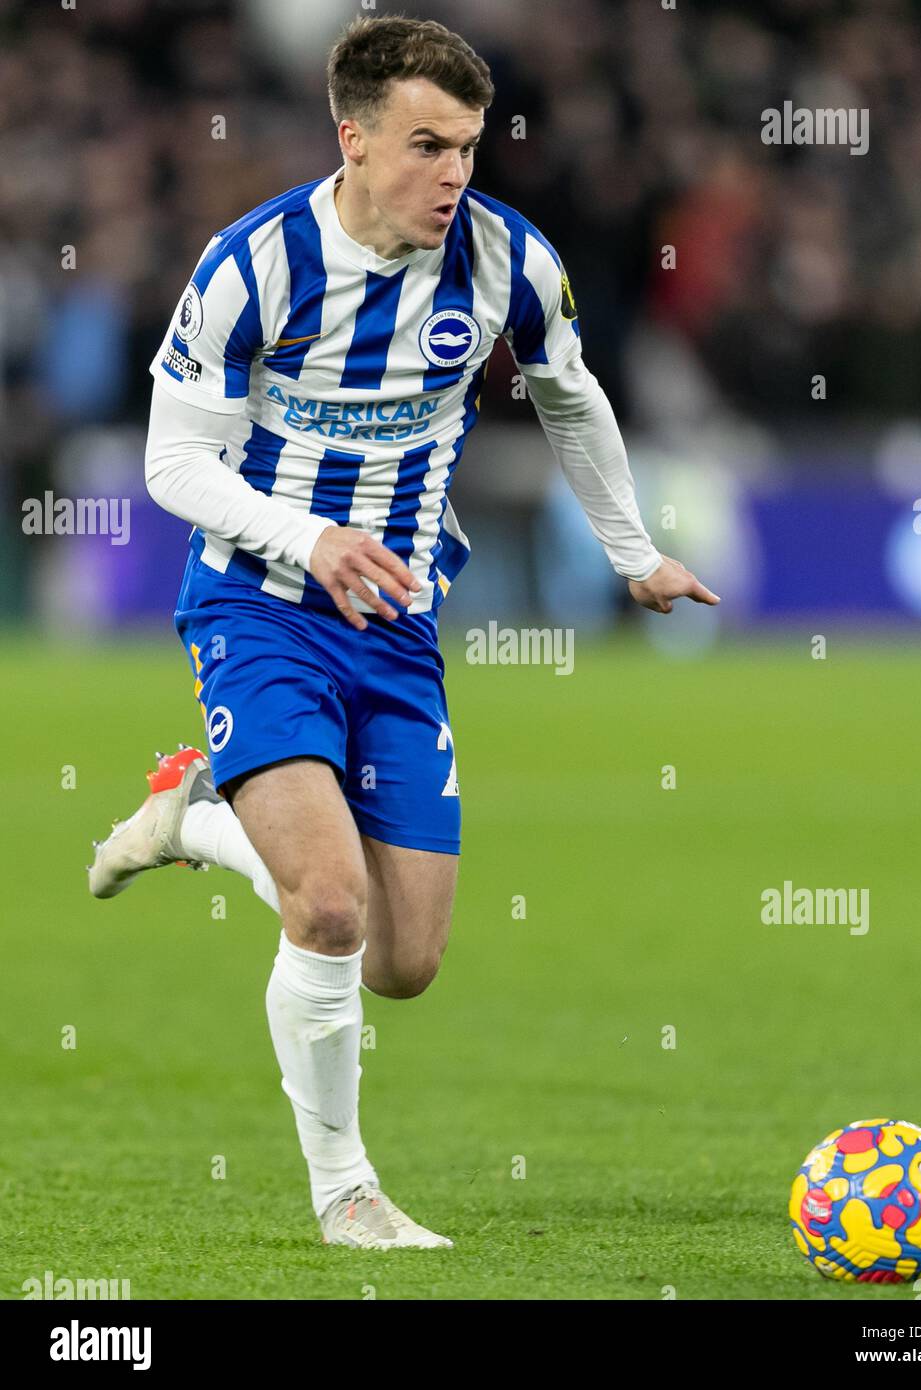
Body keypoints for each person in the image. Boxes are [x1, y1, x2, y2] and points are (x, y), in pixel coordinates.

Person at [88, 14, 719, 1250]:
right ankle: (345, 1198)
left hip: (398, 625)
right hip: (259, 607)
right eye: (427, 147)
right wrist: (306, 537)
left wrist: (633, 555)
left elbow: (570, 396)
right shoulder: (251, 266)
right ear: (354, 138)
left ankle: (190, 822)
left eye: (469, 148)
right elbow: (170, 462)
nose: (453, 176)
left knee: (401, 959)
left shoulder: (504, 262)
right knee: (327, 906)